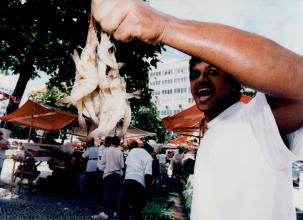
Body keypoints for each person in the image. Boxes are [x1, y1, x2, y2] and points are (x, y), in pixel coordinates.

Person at [91, 1, 303, 220]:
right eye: (194, 74)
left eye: (212, 71)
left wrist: (164, 27)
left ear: (236, 84)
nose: (201, 79)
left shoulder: (255, 121)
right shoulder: (216, 131)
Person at [120, 142, 154, 220]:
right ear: (150, 150)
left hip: (128, 178)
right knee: (138, 207)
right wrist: (147, 189)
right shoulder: (149, 157)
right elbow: (147, 175)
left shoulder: (133, 151)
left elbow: (126, 165)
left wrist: (124, 179)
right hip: (139, 181)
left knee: (125, 204)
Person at [94, 136, 124, 219]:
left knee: (106, 193)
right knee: (115, 193)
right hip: (117, 174)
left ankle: (105, 212)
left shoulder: (106, 150)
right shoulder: (120, 152)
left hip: (107, 174)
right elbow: (122, 165)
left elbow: (102, 162)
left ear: (111, 142)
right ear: (118, 143)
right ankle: (114, 211)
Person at [96, 136, 112, 206]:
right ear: (107, 142)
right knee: (100, 187)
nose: (110, 145)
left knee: (105, 187)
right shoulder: (101, 148)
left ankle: (104, 201)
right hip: (100, 169)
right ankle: (99, 202)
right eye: (109, 143)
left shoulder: (107, 148)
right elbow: (101, 157)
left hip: (106, 169)